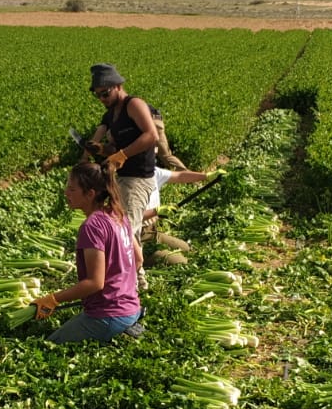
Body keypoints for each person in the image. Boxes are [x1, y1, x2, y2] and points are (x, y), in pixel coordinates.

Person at [32, 162, 144, 343]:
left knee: (49, 344)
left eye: (72, 190)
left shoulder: (92, 226)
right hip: (132, 308)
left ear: (90, 194)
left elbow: (95, 283)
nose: (66, 193)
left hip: (109, 316)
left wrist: (52, 299)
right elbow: (138, 259)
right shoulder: (118, 215)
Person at [84, 63, 159, 238]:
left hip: (138, 180)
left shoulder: (133, 104)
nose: (102, 99)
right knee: (123, 229)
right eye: (98, 96)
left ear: (118, 86)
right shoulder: (112, 114)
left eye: (105, 93)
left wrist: (122, 155)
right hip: (122, 178)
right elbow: (116, 149)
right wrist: (102, 149)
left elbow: (151, 135)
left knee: (127, 234)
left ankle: (133, 265)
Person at [142, 165, 211, 266]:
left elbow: (180, 176)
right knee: (182, 263)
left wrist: (206, 176)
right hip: (138, 238)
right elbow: (128, 217)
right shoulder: (127, 182)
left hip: (153, 232)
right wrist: (156, 211)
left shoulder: (152, 171)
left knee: (187, 249)